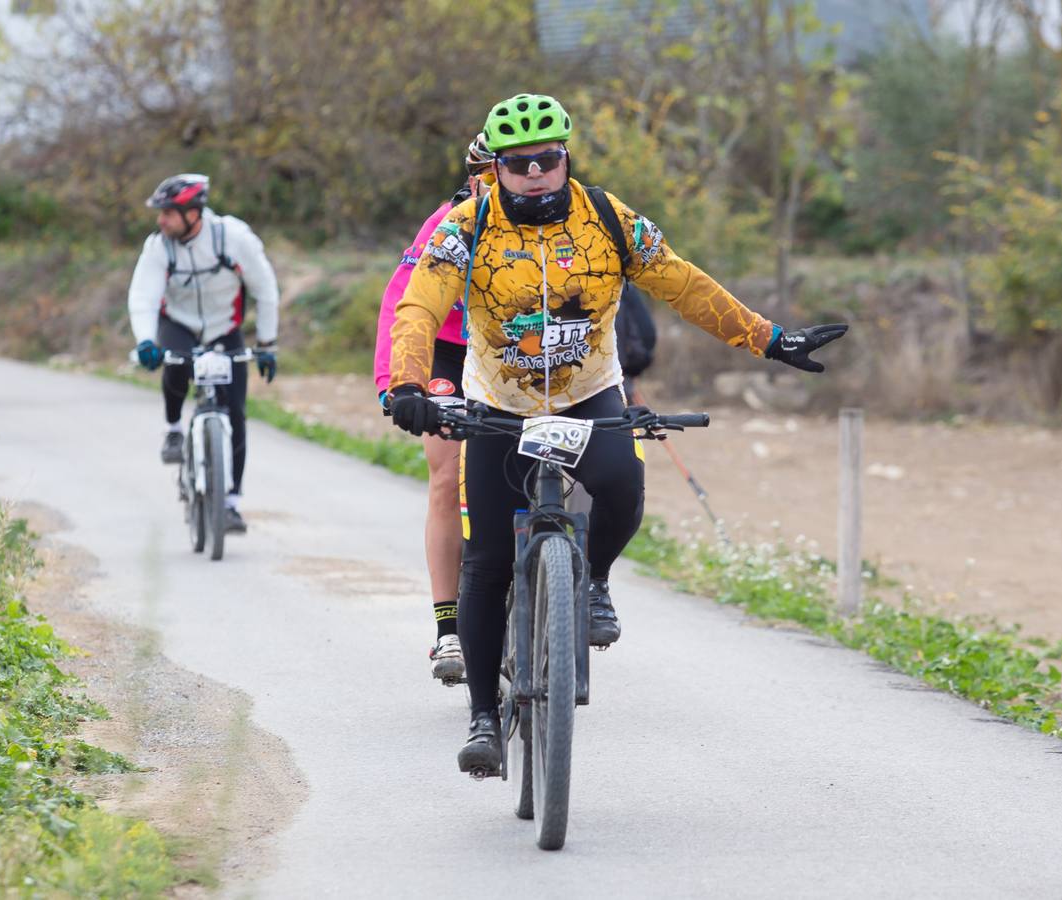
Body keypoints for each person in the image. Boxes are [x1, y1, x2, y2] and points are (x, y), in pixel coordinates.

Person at [386, 93, 848, 773]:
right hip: (500, 404)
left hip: (587, 392)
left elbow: (684, 285)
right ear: (499, 169)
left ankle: (594, 580)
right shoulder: (465, 226)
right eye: (520, 163)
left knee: (622, 484)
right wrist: (407, 386)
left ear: (566, 154)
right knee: (483, 563)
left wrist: (770, 340)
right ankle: (485, 718)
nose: (537, 172)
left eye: (550, 158)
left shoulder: (605, 217)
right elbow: (419, 307)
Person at [373, 133, 495, 683]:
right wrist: (398, 383)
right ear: (472, 179)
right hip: (450, 351)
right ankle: (448, 627)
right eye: (488, 176)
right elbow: (402, 299)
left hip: (518, 354)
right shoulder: (448, 223)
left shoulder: (564, 223)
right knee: (448, 475)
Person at [126, 174, 280, 534]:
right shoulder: (158, 246)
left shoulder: (233, 238)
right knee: (175, 365)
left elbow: (266, 290)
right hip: (178, 323)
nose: (160, 221)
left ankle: (230, 504)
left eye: (168, 213)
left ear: (193, 213)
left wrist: (268, 345)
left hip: (224, 328)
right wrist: (146, 341)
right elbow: (144, 296)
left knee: (236, 410)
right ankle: (174, 429)